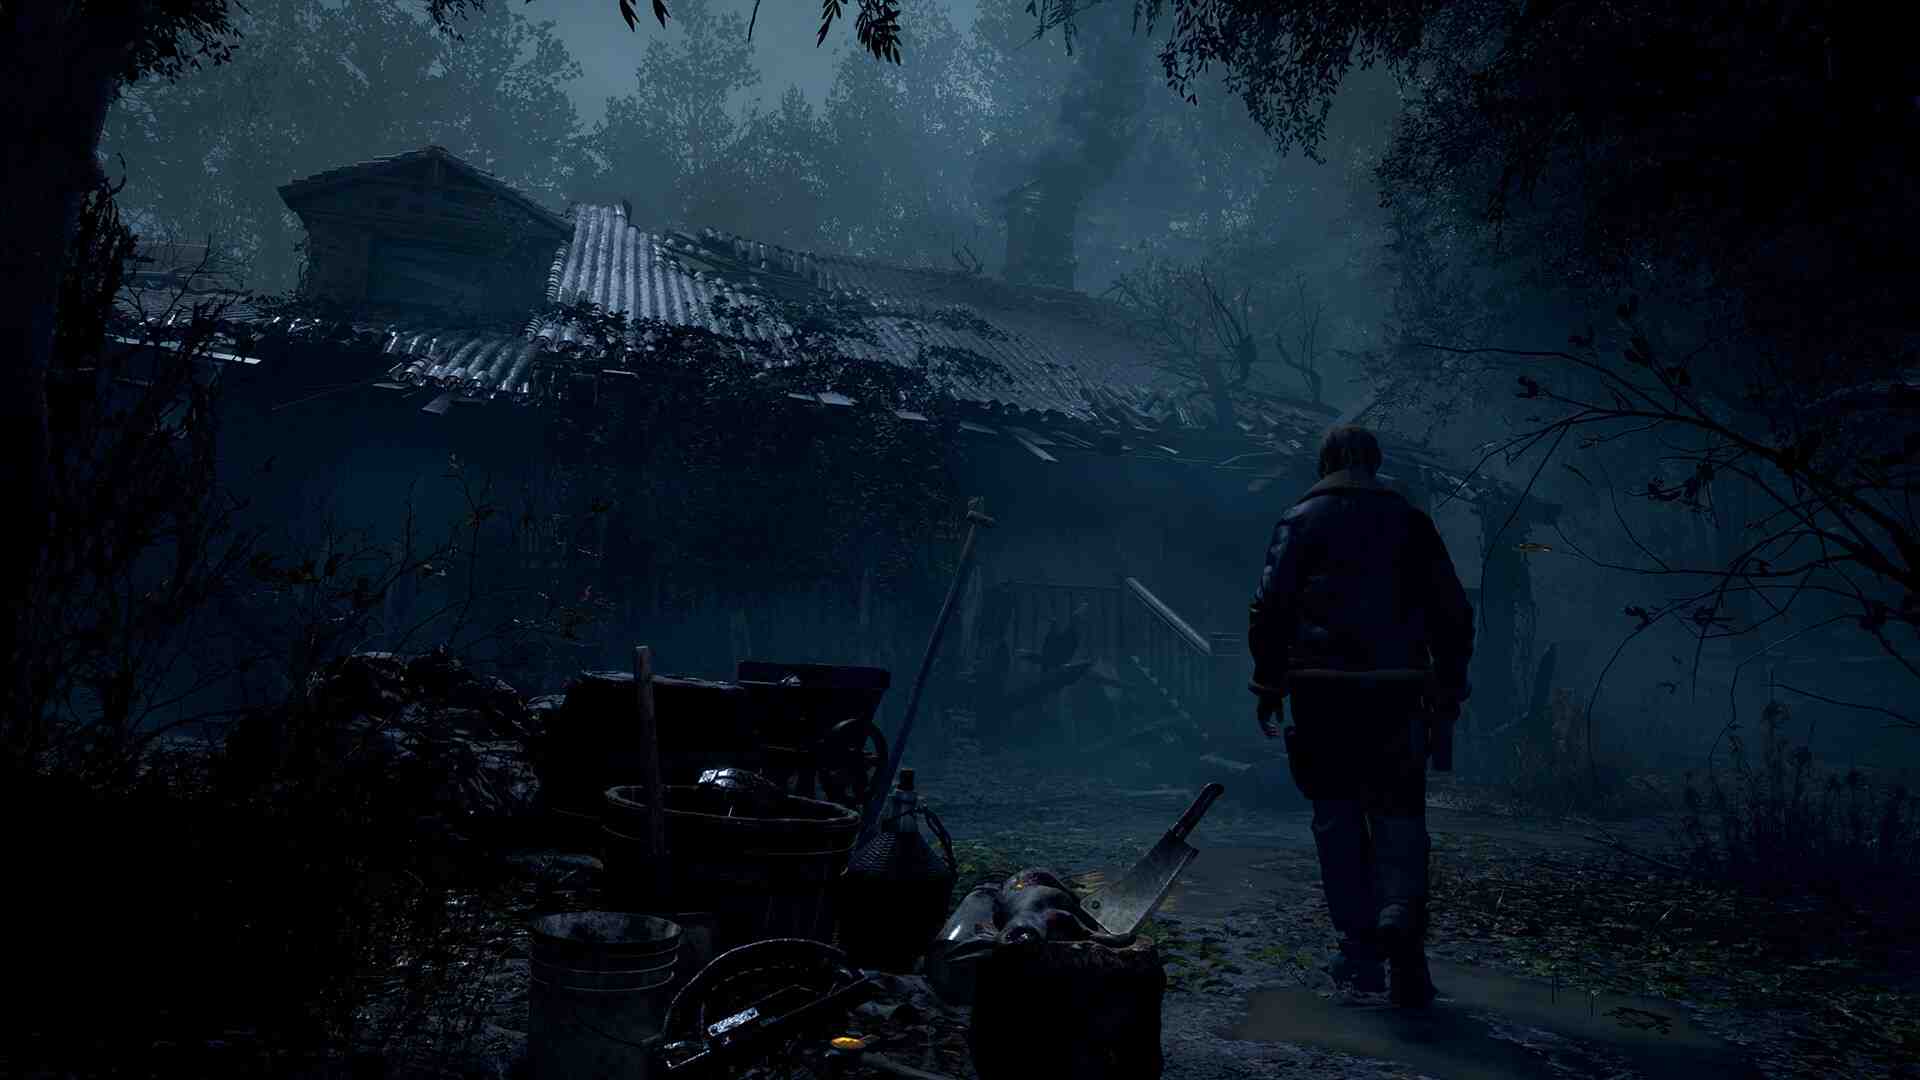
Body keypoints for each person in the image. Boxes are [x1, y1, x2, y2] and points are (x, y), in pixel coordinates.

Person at [1247, 425, 1474, 1007]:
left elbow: (1271, 607)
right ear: (1375, 462)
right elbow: (1452, 610)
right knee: (1400, 812)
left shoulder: (1300, 520)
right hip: (1398, 690)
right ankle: (1402, 924)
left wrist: (1268, 682)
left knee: (1337, 817)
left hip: (1321, 692)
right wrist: (1449, 684)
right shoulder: (1410, 522)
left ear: (1324, 462)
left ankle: (1359, 951)